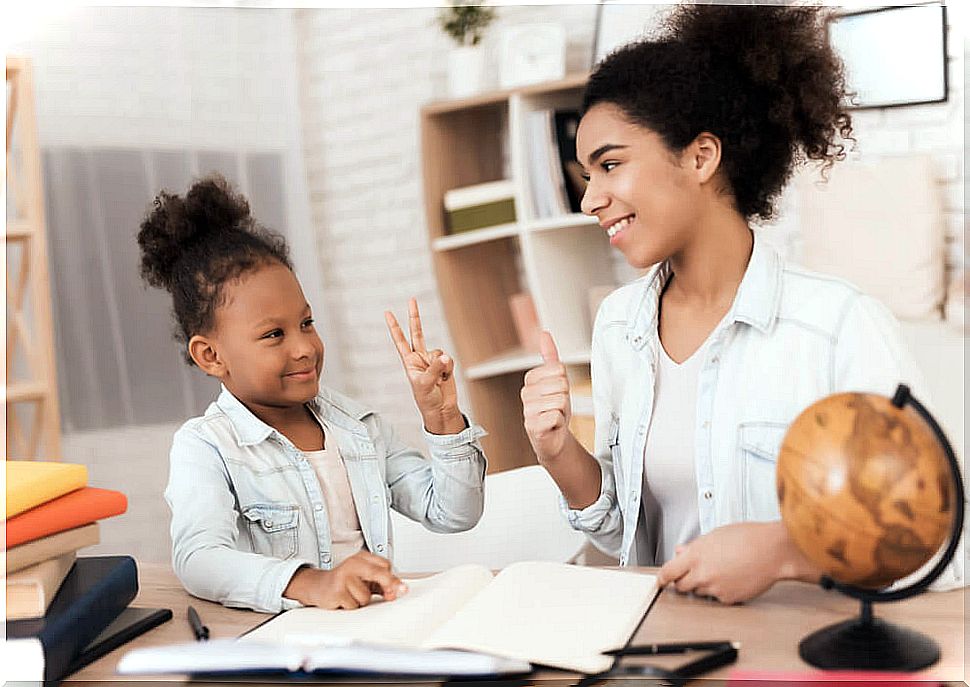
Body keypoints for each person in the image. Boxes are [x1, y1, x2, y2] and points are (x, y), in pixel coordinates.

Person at [521, 4, 963, 604]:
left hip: (796, 652)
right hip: (664, 644)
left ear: (701, 157)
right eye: (586, 174)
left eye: (611, 165)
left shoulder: (836, 325)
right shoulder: (618, 325)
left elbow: (931, 536)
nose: (590, 198)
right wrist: (557, 452)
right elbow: (629, 533)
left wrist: (786, 549)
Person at [138, 175, 487, 613]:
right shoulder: (207, 447)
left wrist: (442, 418)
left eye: (306, 323)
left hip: (375, 627)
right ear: (210, 355)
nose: (304, 347)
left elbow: (454, 513)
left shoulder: (358, 427)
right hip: (286, 646)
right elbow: (199, 561)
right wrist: (312, 584)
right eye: (273, 334)